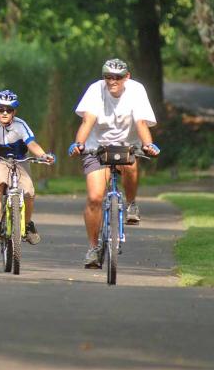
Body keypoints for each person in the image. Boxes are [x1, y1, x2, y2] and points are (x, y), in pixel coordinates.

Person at [68, 58, 160, 268]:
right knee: (94, 198)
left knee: (131, 165)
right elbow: (87, 121)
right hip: (96, 147)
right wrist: (79, 144)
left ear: (127, 77)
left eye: (117, 77)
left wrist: (149, 145)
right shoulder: (95, 90)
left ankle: (131, 204)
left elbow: (141, 123)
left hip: (126, 145)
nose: (112, 81)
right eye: (108, 77)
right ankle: (93, 248)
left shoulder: (136, 91)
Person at [0, 89, 55, 244]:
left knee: (29, 192)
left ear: (14, 111)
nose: (5, 113)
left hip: (19, 160)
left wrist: (44, 156)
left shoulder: (21, 125)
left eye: (9, 110)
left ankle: (27, 225)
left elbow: (31, 143)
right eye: (1, 109)